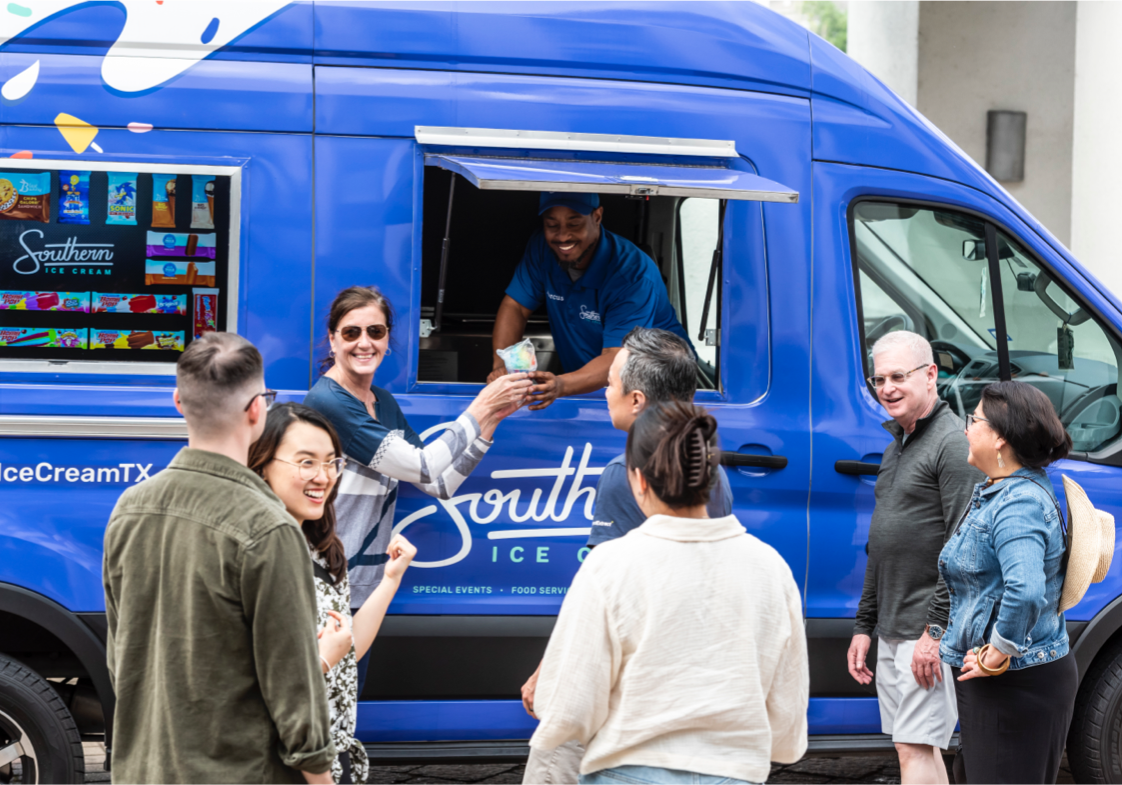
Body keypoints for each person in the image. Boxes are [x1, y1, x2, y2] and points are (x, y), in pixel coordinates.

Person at [530, 402, 808, 785]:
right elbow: (787, 709)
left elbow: (569, 706)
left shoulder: (610, 564)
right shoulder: (770, 567)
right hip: (735, 774)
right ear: (711, 478)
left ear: (639, 480)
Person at [103, 332, 335, 785]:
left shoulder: (129, 508)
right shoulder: (267, 527)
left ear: (178, 401)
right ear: (256, 409)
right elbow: (293, 689)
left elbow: (122, 658)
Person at [519, 326, 735, 785]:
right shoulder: (711, 473)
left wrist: (549, 671)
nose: (604, 391)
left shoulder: (625, 474)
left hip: (616, 675)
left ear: (637, 400)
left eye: (611, 383)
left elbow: (598, 593)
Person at [304, 285, 532, 695]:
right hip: (326, 580)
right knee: (323, 711)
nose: (364, 343)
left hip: (362, 582)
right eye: (351, 332)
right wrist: (477, 409)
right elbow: (424, 464)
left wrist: (492, 420)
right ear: (333, 338)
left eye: (375, 331)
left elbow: (438, 482)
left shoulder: (381, 401)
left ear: (388, 339)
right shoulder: (329, 402)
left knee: (342, 707)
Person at [249, 403, 418, 785]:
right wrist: (322, 662)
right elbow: (259, 692)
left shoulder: (319, 547)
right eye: (306, 462)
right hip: (286, 763)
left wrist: (389, 580)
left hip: (329, 753)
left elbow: (348, 646)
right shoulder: (255, 554)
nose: (323, 476)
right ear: (261, 465)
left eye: (331, 462)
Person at [847, 331, 982, 785]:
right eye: (879, 378)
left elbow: (963, 547)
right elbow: (881, 546)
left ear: (931, 376)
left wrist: (934, 633)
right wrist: (866, 625)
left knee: (915, 748)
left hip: (925, 633)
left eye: (898, 376)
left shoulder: (951, 445)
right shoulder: (896, 447)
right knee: (915, 748)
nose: (887, 388)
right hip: (894, 627)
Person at [941, 381, 1076, 785]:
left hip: (1016, 683)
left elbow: (1026, 589)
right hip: (1005, 682)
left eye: (974, 420)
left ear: (999, 437)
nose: (966, 429)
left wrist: (995, 654)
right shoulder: (1002, 490)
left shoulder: (1018, 503)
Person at [487, 192, 691, 409]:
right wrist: (502, 366)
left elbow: (616, 357)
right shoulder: (542, 248)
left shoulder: (632, 275)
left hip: (657, 396)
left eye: (574, 223)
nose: (562, 236)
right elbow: (516, 306)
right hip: (585, 387)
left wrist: (561, 385)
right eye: (552, 224)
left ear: (597, 217)